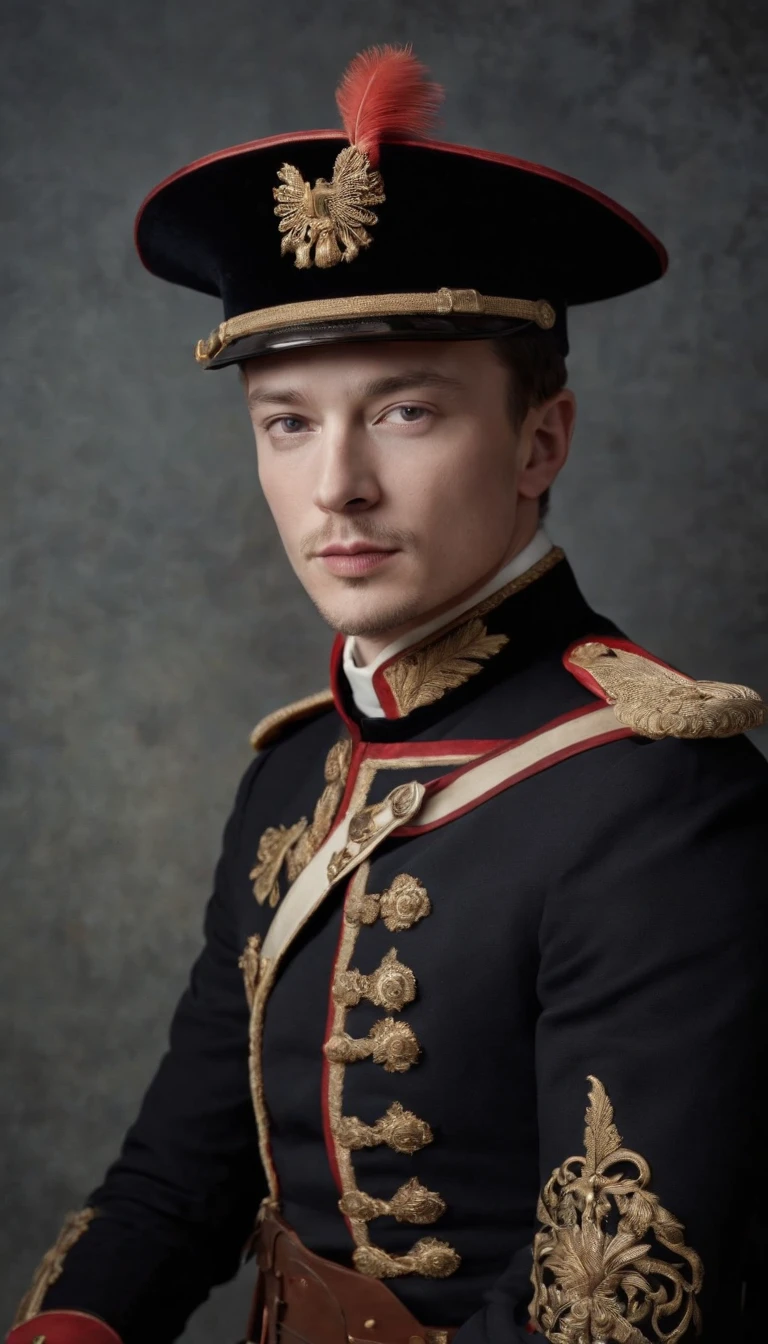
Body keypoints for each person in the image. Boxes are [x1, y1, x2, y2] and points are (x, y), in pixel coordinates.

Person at [9, 44, 768, 1344]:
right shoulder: (297, 775)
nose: (335, 488)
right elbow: (181, 1173)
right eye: (287, 422)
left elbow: (612, 1310)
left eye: (406, 413)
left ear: (542, 442)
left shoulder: (661, 798)